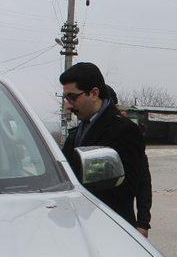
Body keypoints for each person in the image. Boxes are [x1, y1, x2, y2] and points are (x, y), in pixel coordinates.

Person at [60, 62, 146, 228]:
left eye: (72, 97)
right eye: (66, 98)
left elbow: (127, 188)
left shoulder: (124, 131)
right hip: (78, 222)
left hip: (110, 225)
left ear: (94, 93)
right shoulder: (76, 133)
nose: (68, 105)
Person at [105, 84, 152, 237]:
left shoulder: (127, 134)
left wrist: (143, 222)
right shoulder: (79, 135)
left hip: (122, 218)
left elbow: (143, 181)